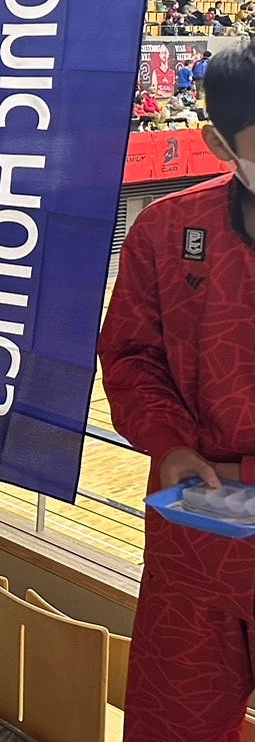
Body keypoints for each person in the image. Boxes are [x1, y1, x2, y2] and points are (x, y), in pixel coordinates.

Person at [100, 42, 255, 742]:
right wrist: (168, 444)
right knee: (170, 726)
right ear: (219, 144)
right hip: (196, 534)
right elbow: (131, 357)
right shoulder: (167, 231)